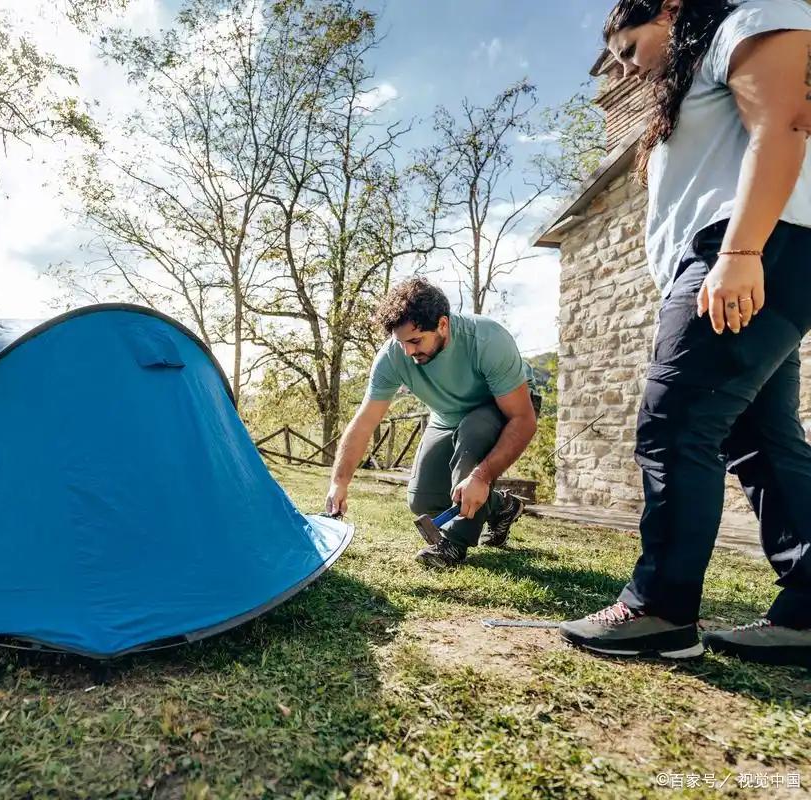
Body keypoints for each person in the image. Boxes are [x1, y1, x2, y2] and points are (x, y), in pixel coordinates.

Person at [560, 0, 811, 666]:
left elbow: (786, 122)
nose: (625, 66)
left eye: (630, 45)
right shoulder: (698, 73)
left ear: (670, 8)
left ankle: (660, 610)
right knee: (759, 437)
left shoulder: (748, 18)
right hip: (749, 254)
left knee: (673, 425)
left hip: (745, 248)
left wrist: (738, 254)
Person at [324, 279, 538, 568]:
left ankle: (452, 546)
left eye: (415, 341)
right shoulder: (393, 357)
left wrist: (481, 477)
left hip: (505, 406)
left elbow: (523, 420)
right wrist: (339, 482)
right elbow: (365, 422)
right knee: (421, 500)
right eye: (401, 343)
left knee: (473, 438)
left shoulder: (487, 340)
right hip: (448, 415)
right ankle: (502, 506)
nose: (409, 352)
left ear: (442, 325)